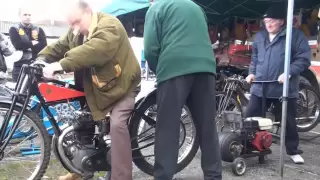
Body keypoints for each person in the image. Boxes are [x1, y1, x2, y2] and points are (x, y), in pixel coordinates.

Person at [36, 1, 141, 180]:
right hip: (97, 88)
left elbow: (94, 50)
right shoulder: (76, 31)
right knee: (82, 123)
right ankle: (80, 169)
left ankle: (122, 176)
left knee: (117, 125)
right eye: (71, 24)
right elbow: (59, 46)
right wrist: (41, 58)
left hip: (122, 87)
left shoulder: (109, 25)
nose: (75, 28)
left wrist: (60, 65)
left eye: (77, 22)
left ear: (88, 12)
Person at [144, 0, 222, 179]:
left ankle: (163, 176)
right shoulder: (196, 7)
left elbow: (150, 49)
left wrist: (161, 70)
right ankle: (214, 176)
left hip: (174, 67)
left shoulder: (156, 7)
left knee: (168, 128)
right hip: (206, 68)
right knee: (207, 127)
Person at [245, 4, 311, 164]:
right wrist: (251, 73)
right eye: (266, 20)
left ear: (282, 21)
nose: (268, 24)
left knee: (288, 121)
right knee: (250, 119)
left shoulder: (294, 36)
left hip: (283, 88)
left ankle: (293, 150)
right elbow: (254, 58)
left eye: (272, 21)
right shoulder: (260, 37)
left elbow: (304, 58)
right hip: (260, 86)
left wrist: (288, 72)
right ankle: (250, 146)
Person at [9, 6, 47, 81]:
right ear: (20, 16)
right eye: (25, 15)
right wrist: (32, 43)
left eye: (29, 15)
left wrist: (27, 44)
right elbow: (18, 45)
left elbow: (43, 46)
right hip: (20, 65)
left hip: (36, 65)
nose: (27, 17)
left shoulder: (39, 29)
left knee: (36, 90)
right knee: (18, 89)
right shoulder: (14, 29)